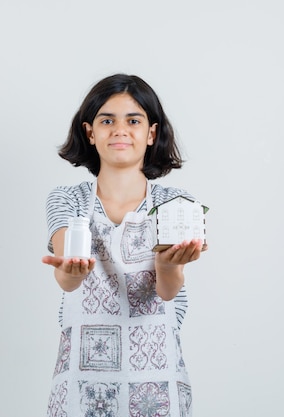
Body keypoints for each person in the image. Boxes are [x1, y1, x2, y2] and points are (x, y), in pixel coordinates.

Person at [41, 73, 207, 417]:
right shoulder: (67, 201)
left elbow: (167, 293)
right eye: (107, 120)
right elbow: (67, 278)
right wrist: (72, 271)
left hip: (157, 384)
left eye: (133, 120)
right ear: (90, 132)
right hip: (79, 385)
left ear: (151, 133)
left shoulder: (177, 203)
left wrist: (168, 264)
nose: (120, 130)